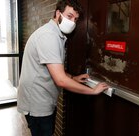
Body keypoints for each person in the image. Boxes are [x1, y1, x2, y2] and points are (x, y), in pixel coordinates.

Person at [17, 0, 109, 136]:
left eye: (76, 19)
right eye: (69, 16)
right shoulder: (49, 36)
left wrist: (73, 77)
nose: (72, 22)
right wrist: (93, 91)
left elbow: (54, 69)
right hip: (37, 104)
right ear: (58, 13)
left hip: (43, 100)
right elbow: (60, 80)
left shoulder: (55, 34)